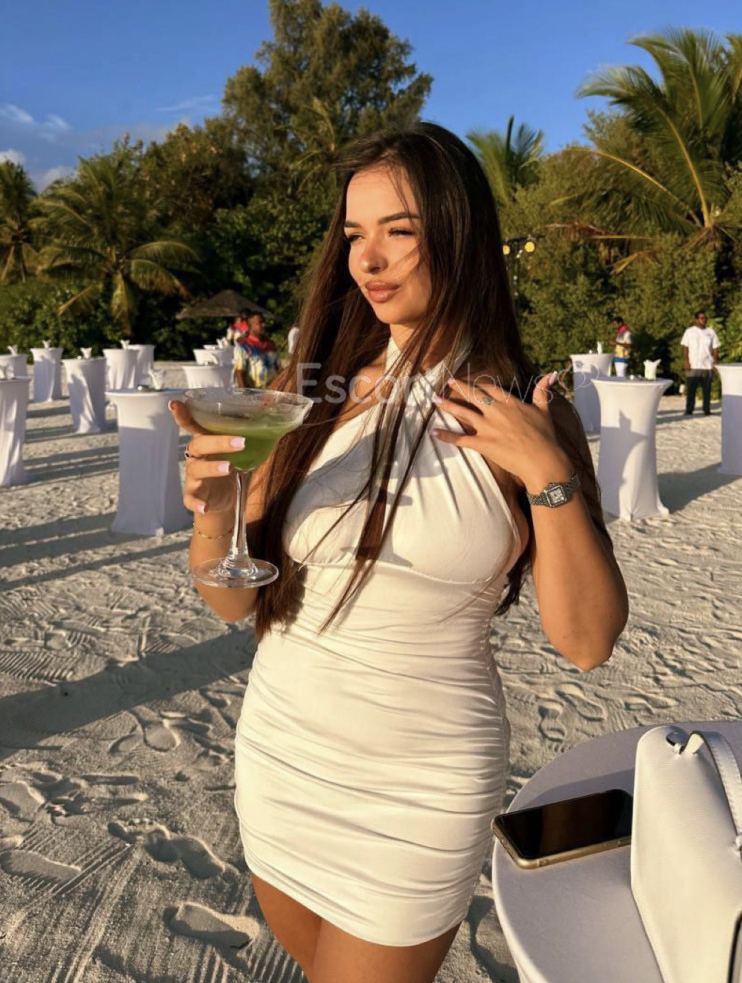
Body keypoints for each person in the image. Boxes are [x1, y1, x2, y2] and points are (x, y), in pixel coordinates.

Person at [169, 122, 628, 983]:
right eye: (354, 235)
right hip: (279, 754)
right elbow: (232, 603)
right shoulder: (307, 393)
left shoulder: (522, 407)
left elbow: (586, 642)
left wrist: (546, 472)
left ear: (458, 234)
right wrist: (218, 510)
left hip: (419, 786)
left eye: (399, 230)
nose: (369, 260)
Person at [681, 310, 720, 415]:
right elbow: (685, 347)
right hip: (693, 365)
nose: (704, 320)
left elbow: (715, 347)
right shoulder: (689, 332)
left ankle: (706, 409)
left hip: (707, 365)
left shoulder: (711, 332)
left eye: (705, 318)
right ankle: (689, 410)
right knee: (691, 390)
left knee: (707, 390)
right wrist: (686, 361)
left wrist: (715, 361)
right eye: (702, 318)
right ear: (696, 320)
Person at [233, 313, 279, 388]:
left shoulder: (271, 344)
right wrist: (246, 393)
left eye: (264, 322)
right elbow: (239, 374)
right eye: (260, 323)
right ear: (250, 326)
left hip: (273, 391)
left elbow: (277, 368)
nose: (264, 325)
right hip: (255, 392)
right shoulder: (243, 347)